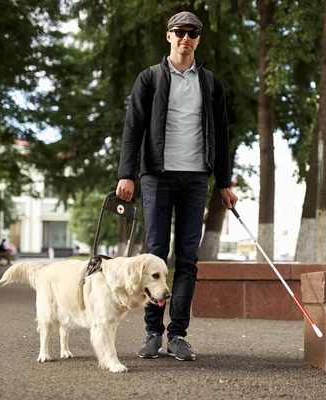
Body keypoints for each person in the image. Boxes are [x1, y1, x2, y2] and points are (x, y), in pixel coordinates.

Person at [115, 11, 238, 362]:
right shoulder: (150, 79)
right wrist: (127, 173)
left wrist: (224, 183)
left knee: (187, 258)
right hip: (157, 175)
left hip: (196, 177)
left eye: (193, 33)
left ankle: (178, 335)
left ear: (199, 39)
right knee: (155, 252)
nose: (186, 38)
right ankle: (152, 333)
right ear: (168, 36)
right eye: (180, 32)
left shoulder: (211, 83)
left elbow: (223, 137)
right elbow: (132, 129)